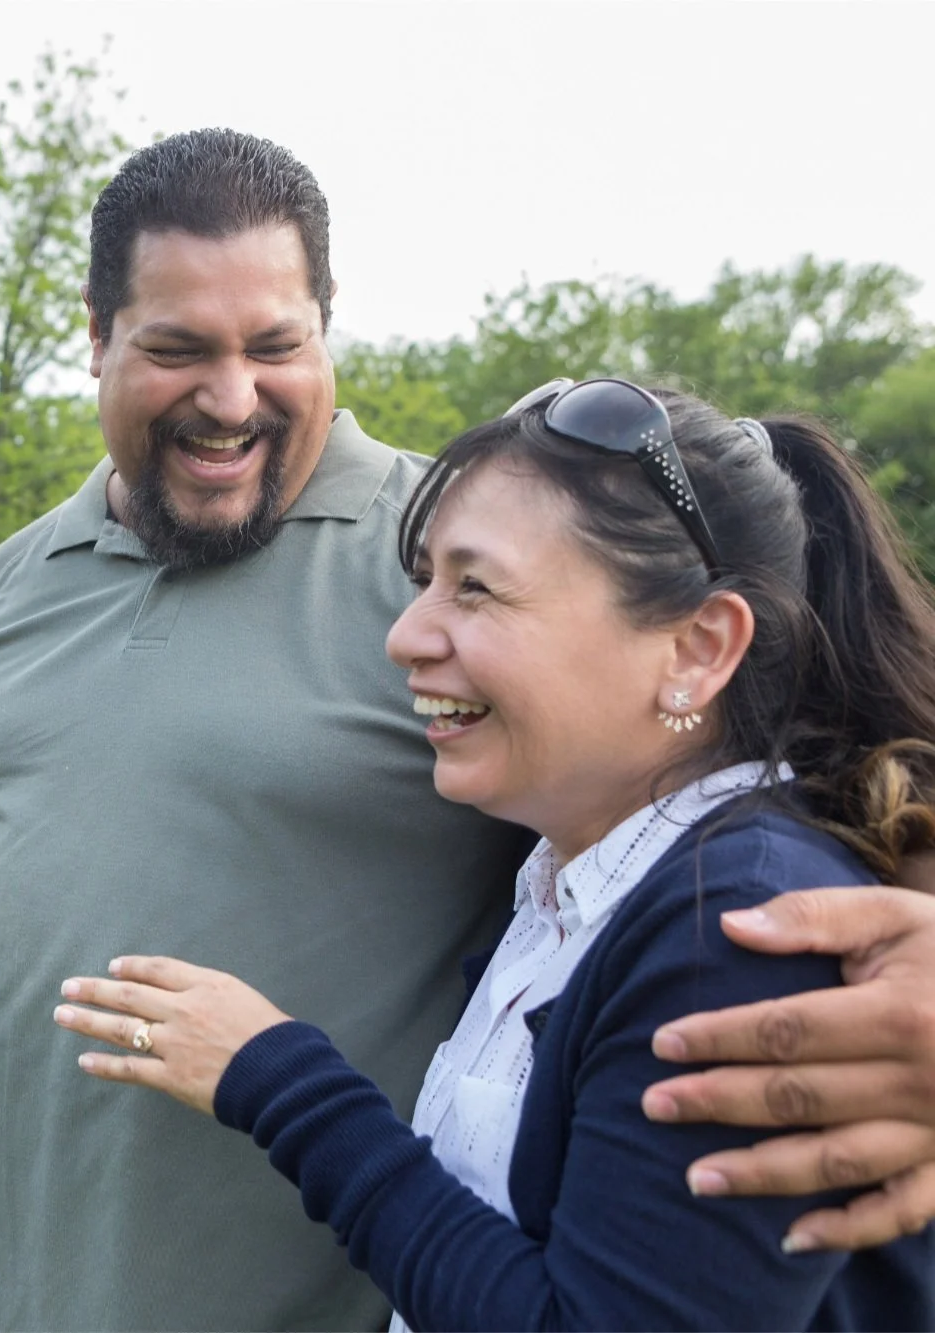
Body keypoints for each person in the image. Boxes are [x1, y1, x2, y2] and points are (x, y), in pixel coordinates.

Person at [0, 129, 935, 1331]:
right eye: (176, 348)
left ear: (327, 322)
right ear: (95, 333)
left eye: (275, 344)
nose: (230, 397)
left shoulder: (465, 562)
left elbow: (792, 774)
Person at [57, 381, 935, 1328]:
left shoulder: (733, 932)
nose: (406, 635)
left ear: (696, 647)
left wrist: (279, 1078)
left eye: (476, 586)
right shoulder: (580, 877)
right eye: (426, 581)